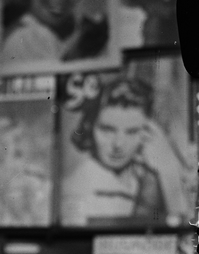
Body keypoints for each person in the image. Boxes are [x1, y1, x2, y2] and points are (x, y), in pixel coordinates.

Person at [61, 76, 188, 227]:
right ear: (89, 126)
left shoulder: (141, 175)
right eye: (107, 130)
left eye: (132, 131)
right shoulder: (79, 189)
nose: (118, 144)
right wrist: (168, 173)